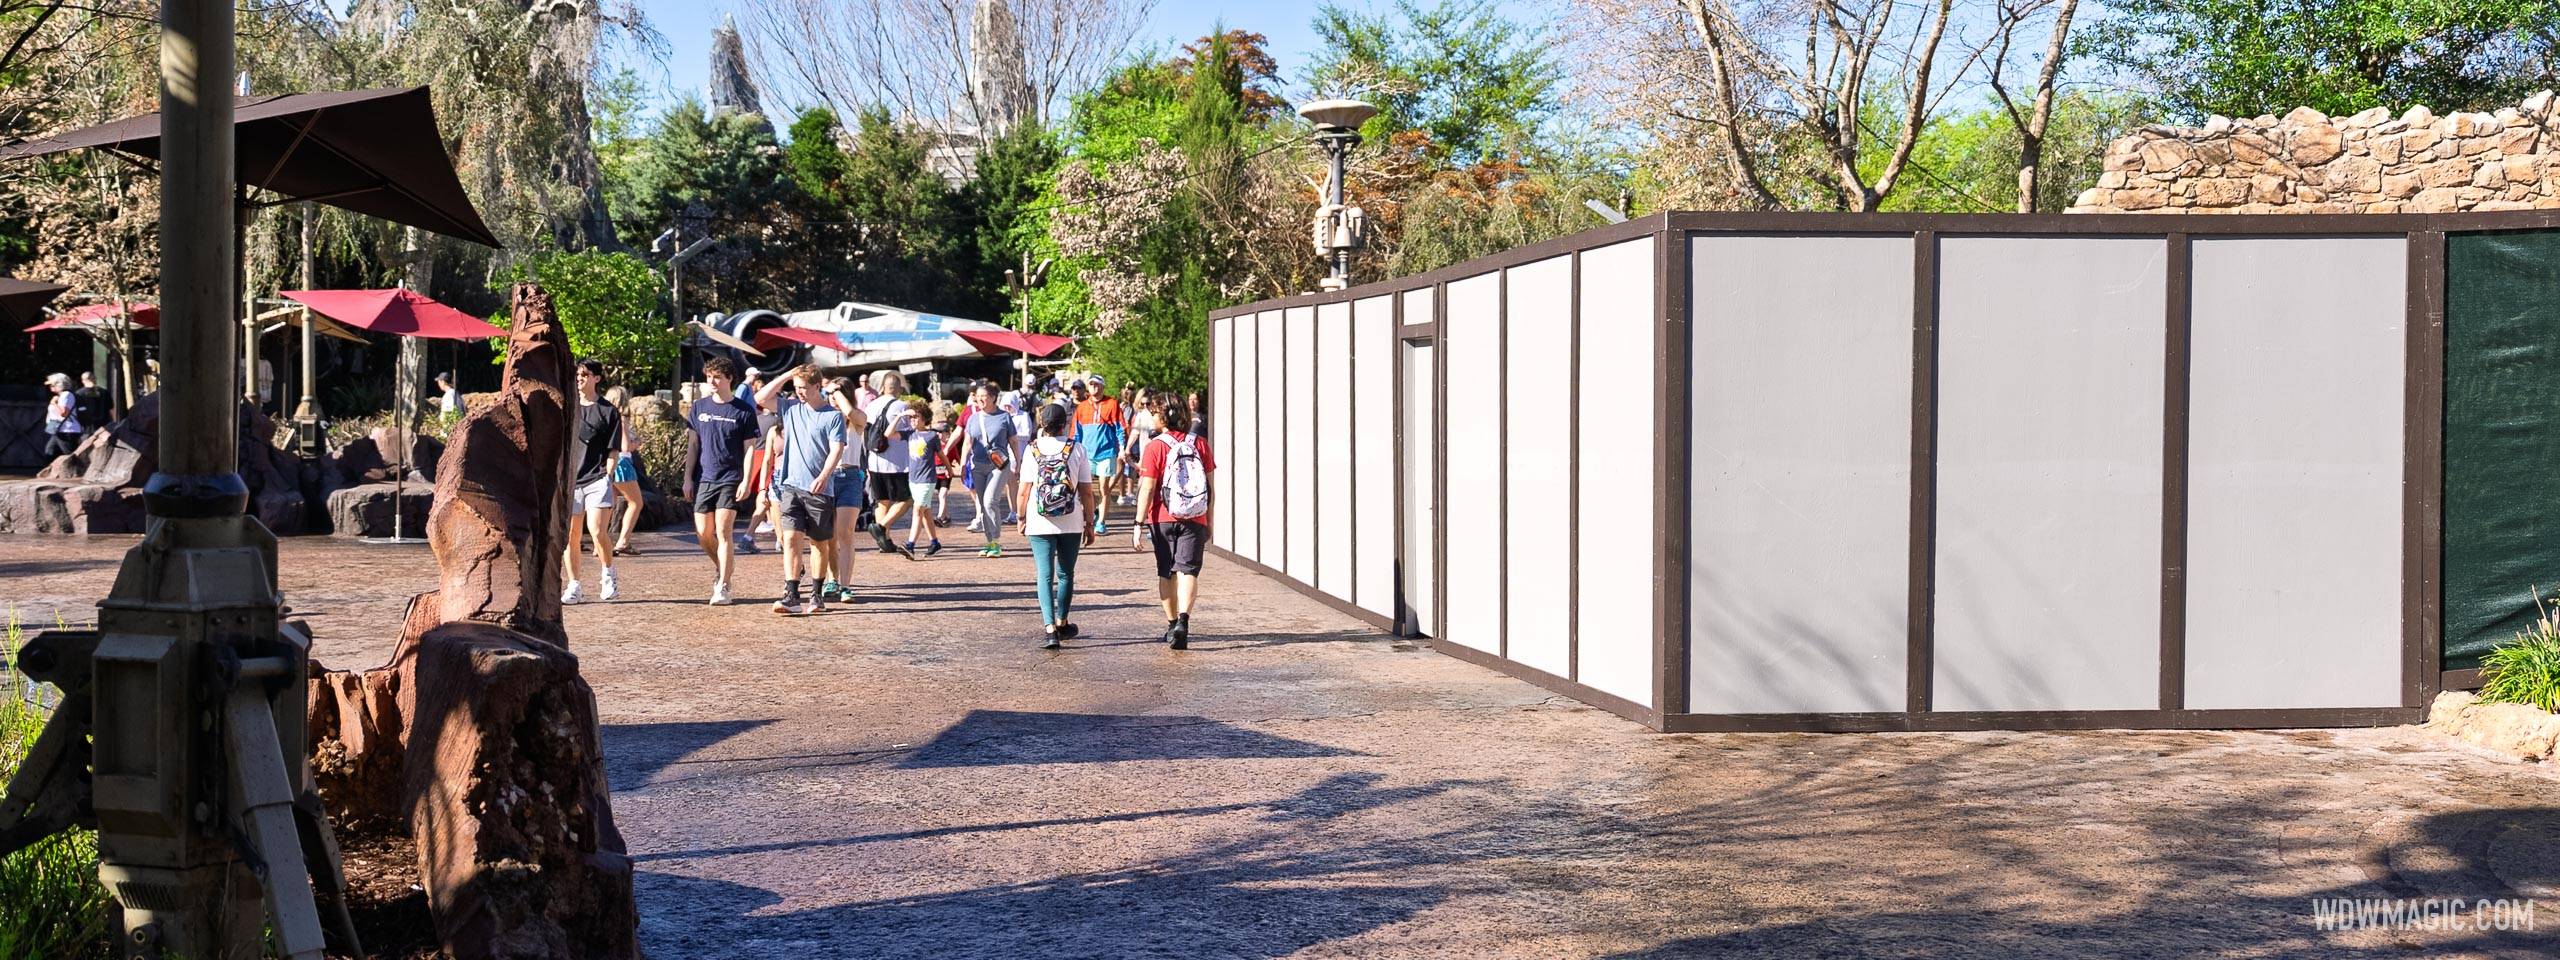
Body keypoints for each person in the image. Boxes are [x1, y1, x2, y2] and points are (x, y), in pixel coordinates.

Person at [1136, 397, 1216, 650]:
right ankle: (1184, 621)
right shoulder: (1200, 444)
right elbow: (1210, 488)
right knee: (1188, 571)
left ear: (1162, 418)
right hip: (1195, 516)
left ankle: (1171, 625)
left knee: (1166, 572)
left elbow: (1147, 488)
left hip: (1162, 517)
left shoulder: (1154, 447)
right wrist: (1209, 522)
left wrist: (1138, 523)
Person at [1017, 403, 1097, 649]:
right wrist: (1089, 522)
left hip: (1039, 519)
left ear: (1042, 424)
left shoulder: (1032, 449)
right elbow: (1086, 491)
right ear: (1065, 423)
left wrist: (1021, 518)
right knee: (1065, 574)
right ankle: (1063, 622)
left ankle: (1049, 628)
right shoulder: (1077, 449)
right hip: (1071, 520)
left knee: (1044, 574)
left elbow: (1024, 490)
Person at [769, 364, 847, 614]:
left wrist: (825, 475)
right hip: (790, 484)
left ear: (817, 386)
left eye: (804, 388)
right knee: (790, 538)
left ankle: (816, 593)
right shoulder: (791, 408)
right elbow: (761, 398)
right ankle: (792, 595)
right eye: (797, 388)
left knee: (819, 542)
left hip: (819, 489)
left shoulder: (832, 416)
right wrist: (786, 375)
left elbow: (837, 448)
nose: (800, 392)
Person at [681, 357, 758, 605]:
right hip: (704, 477)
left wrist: (747, 480)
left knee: (724, 532)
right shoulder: (699, 407)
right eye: (709, 377)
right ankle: (722, 567)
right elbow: (693, 445)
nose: (712, 382)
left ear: (729, 379)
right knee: (704, 533)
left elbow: (749, 449)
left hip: (730, 477)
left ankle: (723, 586)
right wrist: (687, 478)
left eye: (717, 377)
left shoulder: (743, 410)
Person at [562, 360, 631, 604]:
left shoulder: (608, 411)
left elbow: (613, 450)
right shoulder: (568, 408)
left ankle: (608, 573)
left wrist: (608, 475)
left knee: (597, 530)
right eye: (577, 374)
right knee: (570, 535)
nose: (579, 378)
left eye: (585, 374)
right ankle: (574, 585)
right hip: (571, 481)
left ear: (597, 379)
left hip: (597, 479)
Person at [820, 377, 870, 602]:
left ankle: (845, 586)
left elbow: (851, 413)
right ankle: (832, 578)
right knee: (829, 535)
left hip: (850, 477)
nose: (831, 397)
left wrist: (836, 392)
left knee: (845, 533)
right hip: (827, 477)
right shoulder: (823, 417)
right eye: (828, 394)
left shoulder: (857, 418)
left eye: (836, 393)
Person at [861, 370, 919, 559]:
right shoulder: (902, 407)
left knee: (882, 501)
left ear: (883, 387)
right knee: (906, 500)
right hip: (896, 462)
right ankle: (881, 527)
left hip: (874, 460)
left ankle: (883, 541)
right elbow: (909, 432)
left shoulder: (871, 405)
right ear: (899, 388)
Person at [959, 383, 1018, 556]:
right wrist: (963, 465)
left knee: (990, 501)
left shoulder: (1004, 417)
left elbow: (1013, 441)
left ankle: (996, 542)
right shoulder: (973, 418)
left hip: (999, 465)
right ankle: (989, 542)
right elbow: (967, 443)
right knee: (983, 505)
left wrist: (1018, 463)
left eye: (984, 396)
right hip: (978, 465)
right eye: (978, 396)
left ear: (993, 397)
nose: (981, 399)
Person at [1073, 374, 1124, 535]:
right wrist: (1073, 449)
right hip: (1086, 453)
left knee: (1104, 487)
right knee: (1085, 488)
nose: (1094, 387)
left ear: (1102, 386)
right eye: (1091, 384)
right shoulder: (1081, 407)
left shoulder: (1112, 404)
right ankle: (1093, 511)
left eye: (1097, 384)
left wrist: (1122, 448)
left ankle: (1101, 522)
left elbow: (1120, 427)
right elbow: (1076, 432)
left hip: (1106, 452)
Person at [904, 407, 948, 555]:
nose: (913, 420)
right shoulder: (909, 434)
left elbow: (941, 454)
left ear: (925, 419)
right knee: (926, 511)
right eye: (912, 418)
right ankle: (934, 542)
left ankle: (910, 545)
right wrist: (902, 415)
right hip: (913, 479)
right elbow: (888, 434)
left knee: (918, 510)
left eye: (916, 417)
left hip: (927, 479)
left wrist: (949, 468)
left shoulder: (931, 436)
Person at [41, 373, 82, 458]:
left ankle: (78, 470)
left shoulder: (66, 395)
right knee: (49, 452)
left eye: (52, 385)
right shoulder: (61, 396)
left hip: (67, 430)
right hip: (59, 430)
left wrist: (54, 403)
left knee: (69, 456)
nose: (50, 387)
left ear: (59, 384)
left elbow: (63, 413)